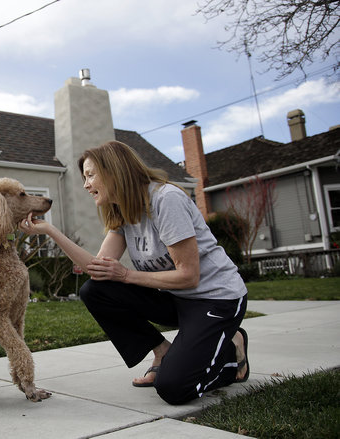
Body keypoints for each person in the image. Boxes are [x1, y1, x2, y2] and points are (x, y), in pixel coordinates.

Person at [18, 140, 249, 405]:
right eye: (84, 177)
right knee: (95, 291)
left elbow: (189, 276)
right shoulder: (123, 211)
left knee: (174, 388)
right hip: (176, 299)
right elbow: (98, 270)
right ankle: (162, 351)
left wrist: (126, 275)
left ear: (115, 170)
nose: (85, 184)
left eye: (91, 175)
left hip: (216, 299)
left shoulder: (166, 199)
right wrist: (50, 231)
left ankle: (232, 352)